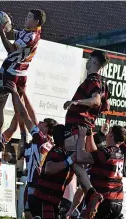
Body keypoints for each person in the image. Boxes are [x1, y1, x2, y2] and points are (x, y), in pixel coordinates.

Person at [63, 50, 110, 218]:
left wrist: (76, 102)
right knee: (79, 166)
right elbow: (106, 106)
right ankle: (88, 198)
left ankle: (92, 195)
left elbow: (97, 101)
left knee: (74, 160)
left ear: (93, 61)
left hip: (78, 126)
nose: (87, 61)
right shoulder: (103, 83)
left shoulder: (93, 79)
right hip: (86, 126)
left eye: (89, 59)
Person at [0, 9, 46, 145]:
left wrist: (1, 33)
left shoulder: (31, 36)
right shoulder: (28, 32)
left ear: (36, 22)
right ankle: (24, 140)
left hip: (10, 70)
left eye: (29, 17)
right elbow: (13, 33)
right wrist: (6, 26)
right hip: (22, 74)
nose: (26, 19)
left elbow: (10, 49)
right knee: (19, 110)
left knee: (0, 104)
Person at [5, 82, 57, 219]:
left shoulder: (42, 140)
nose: (38, 123)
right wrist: (23, 95)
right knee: (28, 215)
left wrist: (16, 94)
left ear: (45, 129)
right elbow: (26, 119)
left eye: (41, 123)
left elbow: (27, 116)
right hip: (32, 185)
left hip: (37, 187)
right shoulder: (42, 141)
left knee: (33, 215)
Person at [73, 125, 125, 219]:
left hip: (104, 200)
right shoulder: (120, 153)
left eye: (109, 132)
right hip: (117, 201)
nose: (106, 135)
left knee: (77, 166)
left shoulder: (108, 152)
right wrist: (89, 135)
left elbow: (81, 158)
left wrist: (81, 137)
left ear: (111, 135)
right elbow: (94, 152)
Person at [27, 124, 75, 219]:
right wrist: (69, 161)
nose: (73, 140)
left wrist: (72, 168)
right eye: (70, 137)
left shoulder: (65, 153)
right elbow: (49, 168)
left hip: (51, 200)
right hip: (43, 199)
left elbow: (66, 181)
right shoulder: (57, 151)